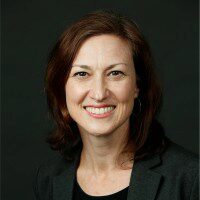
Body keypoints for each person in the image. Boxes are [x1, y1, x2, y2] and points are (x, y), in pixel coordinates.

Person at [33, 10, 199, 200]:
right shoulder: (48, 180)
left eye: (115, 73)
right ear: (62, 90)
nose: (99, 93)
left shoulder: (191, 179)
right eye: (82, 74)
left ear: (137, 85)